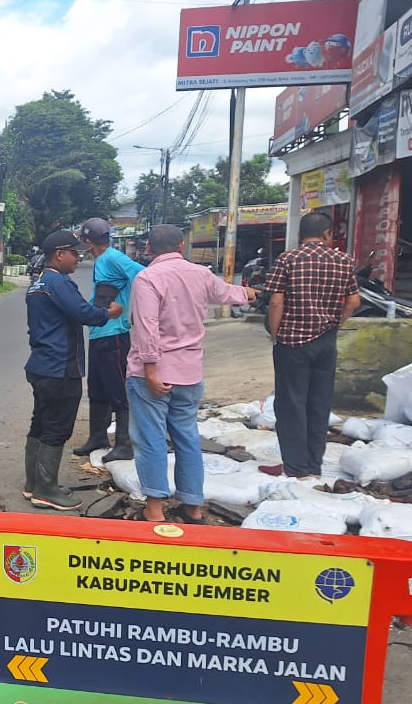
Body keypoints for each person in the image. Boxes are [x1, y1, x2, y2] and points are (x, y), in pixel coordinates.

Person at [126, 224, 258, 523]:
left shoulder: (147, 278)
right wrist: (248, 293)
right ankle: (193, 507)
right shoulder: (200, 273)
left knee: (151, 439)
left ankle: (155, 509)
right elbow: (226, 293)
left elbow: (147, 326)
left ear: (148, 249)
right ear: (182, 246)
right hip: (189, 373)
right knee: (187, 438)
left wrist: (149, 370)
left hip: (154, 375)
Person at [23, 230, 122, 511]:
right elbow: (85, 314)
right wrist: (108, 313)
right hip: (60, 368)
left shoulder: (38, 283)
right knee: (56, 429)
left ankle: (34, 484)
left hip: (41, 365)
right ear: (58, 254)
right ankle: (46, 490)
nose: (78, 258)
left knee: (40, 425)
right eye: (74, 253)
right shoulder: (59, 282)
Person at [264, 211, 360, 478]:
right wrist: (335, 323)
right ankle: (314, 466)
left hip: (292, 342)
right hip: (326, 342)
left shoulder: (288, 259)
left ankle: (295, 468)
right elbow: (353, 301)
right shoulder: (344, 261)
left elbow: (275, 301)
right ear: (328, 234)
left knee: (291, 404)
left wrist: (275, 333)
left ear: (299, 234)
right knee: (319, 404)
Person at [72, 218, 144, 463]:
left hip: (114, 334)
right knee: (98, 387)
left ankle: (124, 443)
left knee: (117, 388)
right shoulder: (102, 259)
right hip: (100, 332)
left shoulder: (113, 258)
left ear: (87, 240)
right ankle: (98, 437)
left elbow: (144, 277)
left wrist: (131, 310)